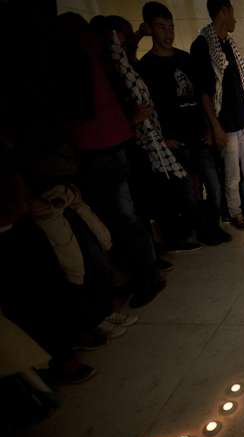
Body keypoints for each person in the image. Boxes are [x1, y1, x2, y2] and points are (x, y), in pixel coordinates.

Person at [54, 13, 165, 308]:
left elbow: (83, 110)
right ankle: (148, 270)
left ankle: (147, 277)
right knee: (129, 215)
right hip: (115, 143)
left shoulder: (83, 59)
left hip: (103, 147)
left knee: (123, 218)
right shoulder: (102, 58)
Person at [138, 1, 231, 246]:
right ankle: (194, 231)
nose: (168, 33)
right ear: (149, 28)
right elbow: (148, 106)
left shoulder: (185, 59)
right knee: (188, 192)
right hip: (174, 139)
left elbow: (203, 95)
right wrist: (161, 139)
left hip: (199, 134)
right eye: (161, 27)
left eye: (171, 27)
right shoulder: (146, 66)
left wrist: (211, 127)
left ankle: (211, 228)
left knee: (213, 186)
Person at [190, 0, 244, 236]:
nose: (235, 18)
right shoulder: (203, 45)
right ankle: (235, 212)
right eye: (232, 12)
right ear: (223, 12)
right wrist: (215, 127)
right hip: (227, 124)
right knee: (232, 174)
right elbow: (204, 91)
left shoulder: (230, 44)